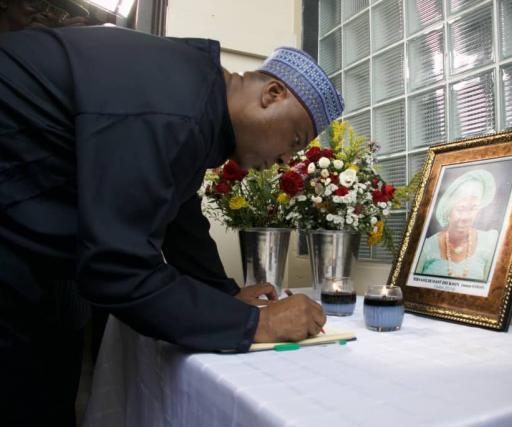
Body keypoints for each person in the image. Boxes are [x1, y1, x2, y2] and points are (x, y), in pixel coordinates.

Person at [0, 25, 342, 426]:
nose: (288, 161)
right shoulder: (175, 109)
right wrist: (258, 323)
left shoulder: (193, 96)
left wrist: (225, 295)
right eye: (295, 140)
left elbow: (182, 218)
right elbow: (115, 270)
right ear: (271, 95)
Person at [416, 169, 498, 281]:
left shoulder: (490, 242)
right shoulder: (426, 247)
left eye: (473, 208)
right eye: (460, 208)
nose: (466, 217)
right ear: (448, 210)